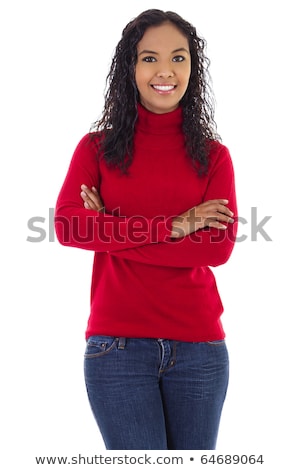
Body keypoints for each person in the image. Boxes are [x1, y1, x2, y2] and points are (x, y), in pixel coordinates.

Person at [55, 9, 238, 450]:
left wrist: (111, 229)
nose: (165, 71)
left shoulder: (213, 156)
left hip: (200, 349)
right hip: (116, 349)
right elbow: (67, 226)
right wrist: (178, 225)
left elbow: (215, 249)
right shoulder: (96, 149)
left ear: (192, 68)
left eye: (178, 58)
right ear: (130, 67)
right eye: (149, 58)